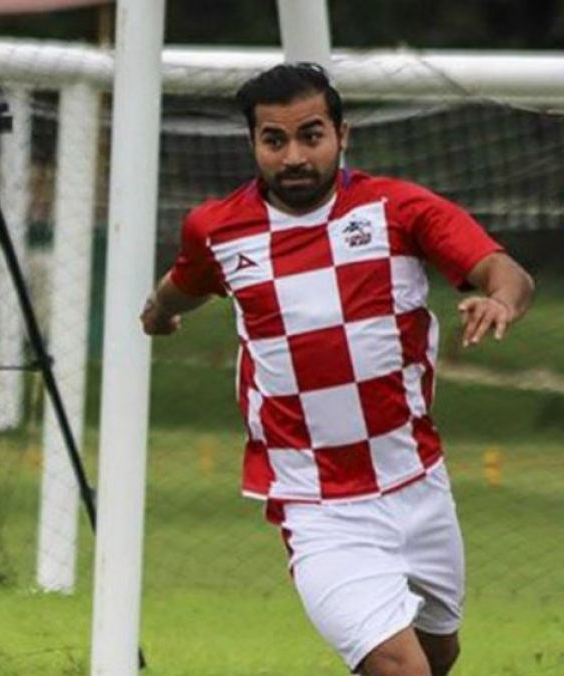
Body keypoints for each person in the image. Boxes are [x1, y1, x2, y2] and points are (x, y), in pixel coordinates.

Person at [140, 62, 534, 676]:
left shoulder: (400, 210)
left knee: (439, 653)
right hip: (315, 500)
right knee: (400, 667)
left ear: (342, 135)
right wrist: (159, 311)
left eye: (311, 135)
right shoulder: (218, 229)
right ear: (253, 143)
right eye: (274, 140)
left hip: (416, 483)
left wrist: (500, 299)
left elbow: (503, 270)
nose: (293, 155)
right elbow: (186, 281)